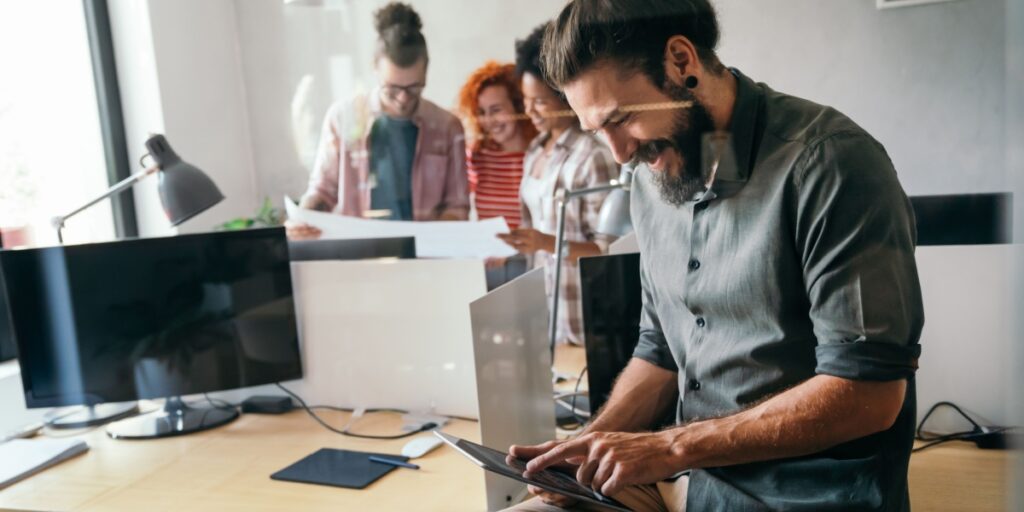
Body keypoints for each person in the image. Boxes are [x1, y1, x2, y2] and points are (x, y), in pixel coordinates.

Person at [506, 1, 924, 511]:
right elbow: (661, 348)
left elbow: (870, 395)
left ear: (682, 63)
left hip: (804, 498)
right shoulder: (651, 179)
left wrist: (667, 447)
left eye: (622, 119)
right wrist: (589, 445)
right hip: (691, 482)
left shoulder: (832, 164)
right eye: (598, 131)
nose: (618, 153)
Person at [287, 2, 468, 240]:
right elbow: (323, 190)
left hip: (428, 261)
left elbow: (458, 205)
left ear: (426, 71)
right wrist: (304, 218)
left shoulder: (447, 126)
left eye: (414, 87)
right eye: (392, 88)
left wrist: (432, 237)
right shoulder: (343, 117)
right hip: (360, 255)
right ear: (375, 67)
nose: (403, 98)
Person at [496, 23, 619, 345]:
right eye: (525, 100)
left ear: (565, 97)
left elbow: (608, 253)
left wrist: (546, 243)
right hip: (546, 313)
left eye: (539, 101)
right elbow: (533, 232)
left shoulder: (593, 156)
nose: (529, 111)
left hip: (584, 319)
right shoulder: (535, 151)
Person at [459, 61, 537, 230]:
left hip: (532, 255)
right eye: (482, 112)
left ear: (519, 107)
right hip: (488, 253)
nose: (488, 120)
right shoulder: (476, 156)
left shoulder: (542, 154)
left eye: (496, 110)